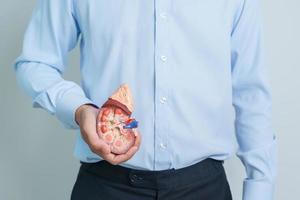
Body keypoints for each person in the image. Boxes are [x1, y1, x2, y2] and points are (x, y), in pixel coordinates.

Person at [13, 0, 277, 199]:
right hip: (106, 187)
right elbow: (36, 63)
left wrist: (260, 187)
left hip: (204, 187)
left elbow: (250, 90)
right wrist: (79, 109)